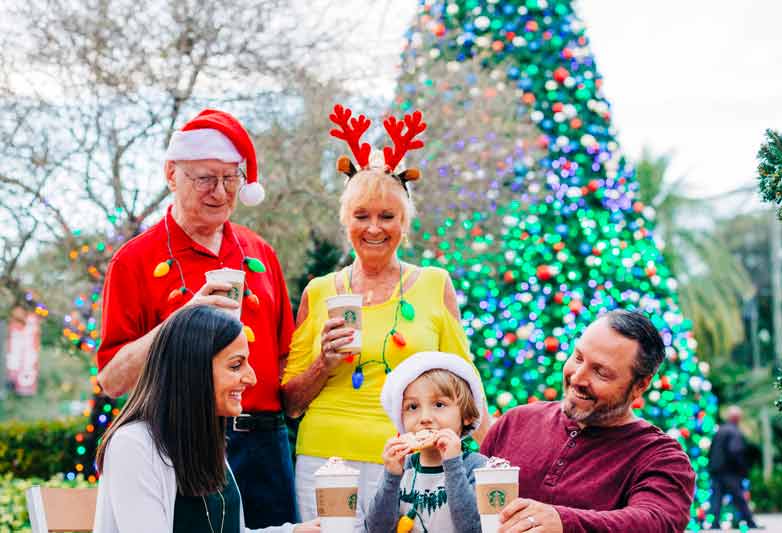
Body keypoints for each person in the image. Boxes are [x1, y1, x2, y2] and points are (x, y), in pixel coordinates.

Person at [281, 105, 489, 528]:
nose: (374, 228)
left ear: (404, 222)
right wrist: (324, 362)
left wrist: (488, 452)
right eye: (361, 216)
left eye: (387, 216)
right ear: (347, 222)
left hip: (408, 457)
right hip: (325, 456)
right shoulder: (319, 291)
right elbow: (289, 403)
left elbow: (464, 380)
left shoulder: (434, 284)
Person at [96, 109, 298, 528]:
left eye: (231, 179)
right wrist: (181, 320)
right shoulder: (134, 261)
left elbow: (284, 364)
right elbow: (112, 381)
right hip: (179, 440)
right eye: (205, 178)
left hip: (264, 442)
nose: (220, 192)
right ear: (172, 174)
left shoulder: (261, 253)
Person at [94, 305, 319, 533]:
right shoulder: (134, 446)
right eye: (236, 365)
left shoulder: (205, 440)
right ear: (194, 370)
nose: (251, 378)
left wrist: (294, 532)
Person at [481, 309, 696, 533]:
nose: (577, 377)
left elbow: (656, 521)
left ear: (640, 385)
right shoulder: (517, 421)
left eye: (601, 372)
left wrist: (564, 523)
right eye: (578, 358)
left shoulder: (660, 457)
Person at [366, 351, 487, 533]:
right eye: (412, 407)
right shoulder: (401, 469)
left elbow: (472, 529)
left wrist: (453, 464)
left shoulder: (477, 467)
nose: (425, 418)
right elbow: (376, 530)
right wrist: (391, 477)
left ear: (467, 415)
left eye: (439, 405)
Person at [709, 405, 760, 530]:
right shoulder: (734, 432)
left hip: (716, 470)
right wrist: (743, 468)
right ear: (737, 418)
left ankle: (714, 524)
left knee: (716, 498)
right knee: (739, 497)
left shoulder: (720, 430)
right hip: (730, 471)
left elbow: (711, 450)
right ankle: (750, 523)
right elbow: (735, 451)